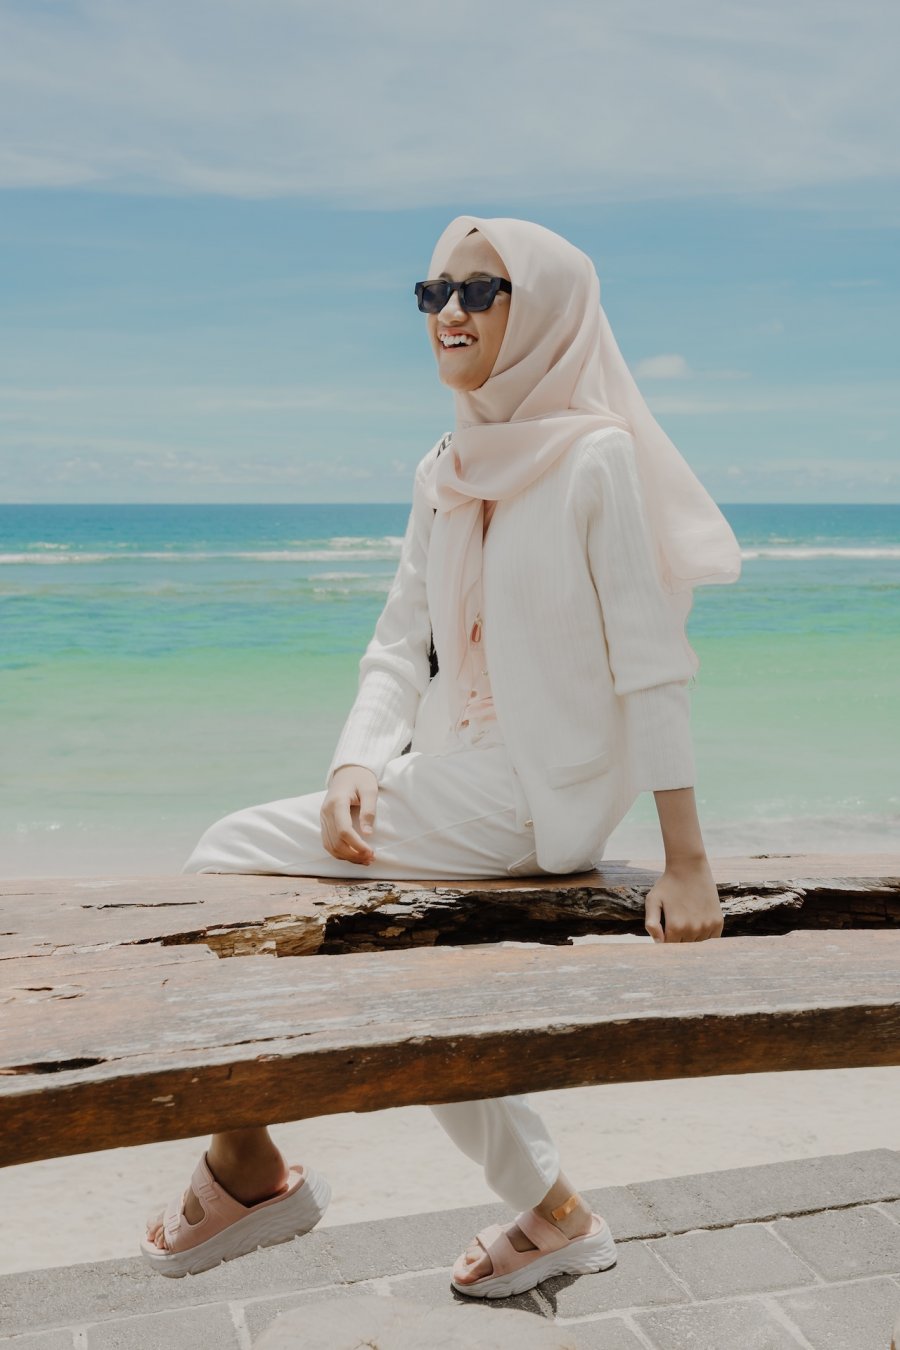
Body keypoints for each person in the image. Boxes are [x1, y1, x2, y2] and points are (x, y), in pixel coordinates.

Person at [141, 215, 741, 1298]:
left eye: (479, 291)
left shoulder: (595, 456)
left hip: (535, 798)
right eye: (433, 293)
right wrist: (355, 764)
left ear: (544, 312)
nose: (449, 312)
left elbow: (652, 665)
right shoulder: (446, 464)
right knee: (409, 979)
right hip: (448, 777)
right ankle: (555, 1214)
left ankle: (246, 1161)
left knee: (220, 853)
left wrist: (687, 861)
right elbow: (398, 639)